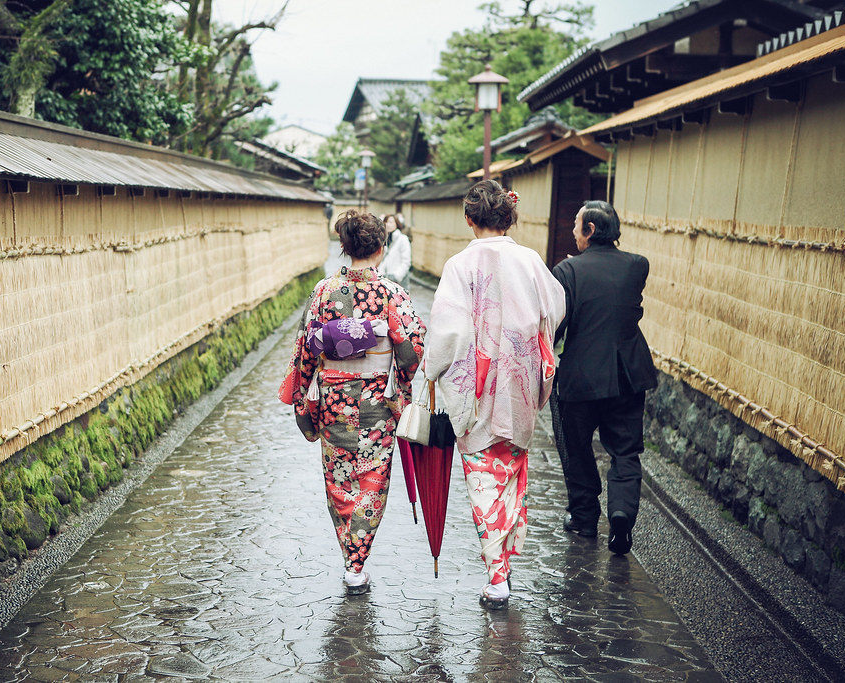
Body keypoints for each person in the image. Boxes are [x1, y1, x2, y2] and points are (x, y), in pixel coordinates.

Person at [425, 180, 565, 609]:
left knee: (483, 474)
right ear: (510, 217)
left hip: (477, 382)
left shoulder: (459, 265)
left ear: (469, 219)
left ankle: (497, 573)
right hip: (521, 379)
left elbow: (448, 331)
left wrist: (431, 370)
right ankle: (503, 558)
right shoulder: (531, 260)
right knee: (511, 467)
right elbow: (555, 308)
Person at [281, 210, 426, 595]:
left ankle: (350, 557)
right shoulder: (393, 294)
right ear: (380, 248)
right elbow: (413, 349)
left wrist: (304, 398)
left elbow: (306, 350)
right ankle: (358, 563)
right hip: (378, 402)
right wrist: (402, 385)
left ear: (344, 247)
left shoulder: (323, 291)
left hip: (334, 400)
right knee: (373, 479)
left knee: (338, 478)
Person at [552, 200, 657, 556]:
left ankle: (584, 517)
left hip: (581, 377)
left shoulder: (568, 271)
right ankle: (621, 512)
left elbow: (557, 325)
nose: (573, 232)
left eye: (576, 225)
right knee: (626, 451)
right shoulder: (637, 265)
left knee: (577, 447)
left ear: (590, 230)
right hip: (628, 374)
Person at [378, 213, 411, 287]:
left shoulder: (403, 239)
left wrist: (396, 276)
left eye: (391, 222)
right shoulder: (383, 239)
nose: (387, 224)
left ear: (397, 224)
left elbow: (406, 261)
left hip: (397, 280)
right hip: (383, 278)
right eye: (386, 222)